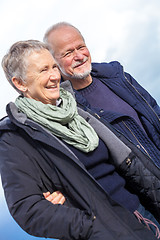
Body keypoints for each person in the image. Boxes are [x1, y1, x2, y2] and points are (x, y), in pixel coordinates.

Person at [0, 40, 159, 240]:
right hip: (110, 232)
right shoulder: (15, 136)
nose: (54, 76)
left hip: (144, 213)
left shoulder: (75, 107)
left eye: (54, 67)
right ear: (20, 83)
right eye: (42, 71)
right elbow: (28, 209)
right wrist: (92, 226)